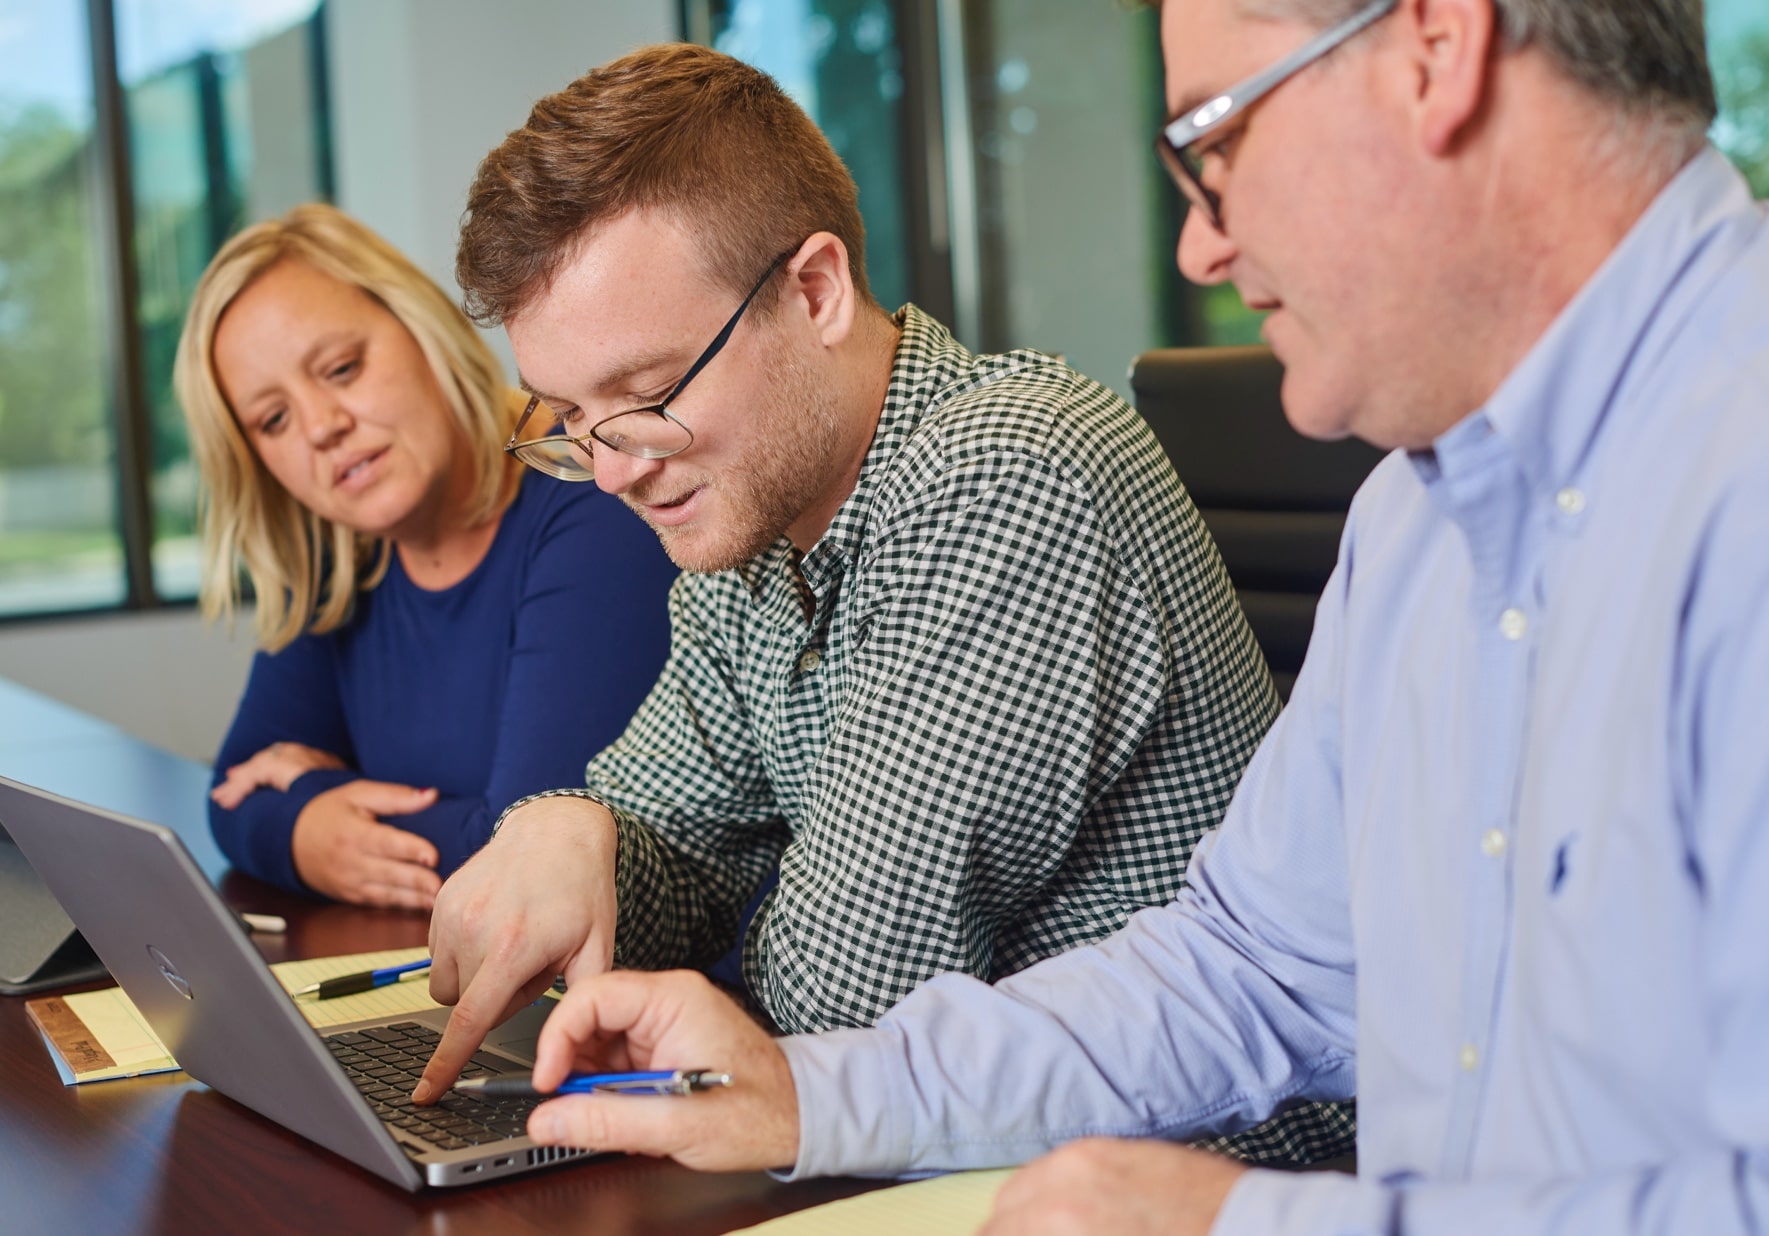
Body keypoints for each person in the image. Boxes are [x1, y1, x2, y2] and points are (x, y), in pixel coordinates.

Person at [488, 1, 1769, 1232]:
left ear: (1438, 49)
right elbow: (1249, 973)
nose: (1199, 235)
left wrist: (1234, 1226)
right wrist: (814, 1098)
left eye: (1215, 134)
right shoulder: (1418, 517)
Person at [408, 43, 1354, 1165]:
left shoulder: (1010, 471)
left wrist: (669, 882)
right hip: (935, 1147)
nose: (612, 469)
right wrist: (573, 829)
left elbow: (837, 995)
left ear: (814, 291)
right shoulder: (745, 524)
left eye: (646, 394)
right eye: (570, 415)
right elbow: (682, 855)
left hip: (1189, 1169)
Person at [176, 204, 677, 910]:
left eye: (342, 368)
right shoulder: (339, 566)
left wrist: (313, 800)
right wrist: (303, 831)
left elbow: (527, 856)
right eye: (274, 419)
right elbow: (232, 795)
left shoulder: (591, 498)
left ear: (424, 328)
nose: (323, 427)